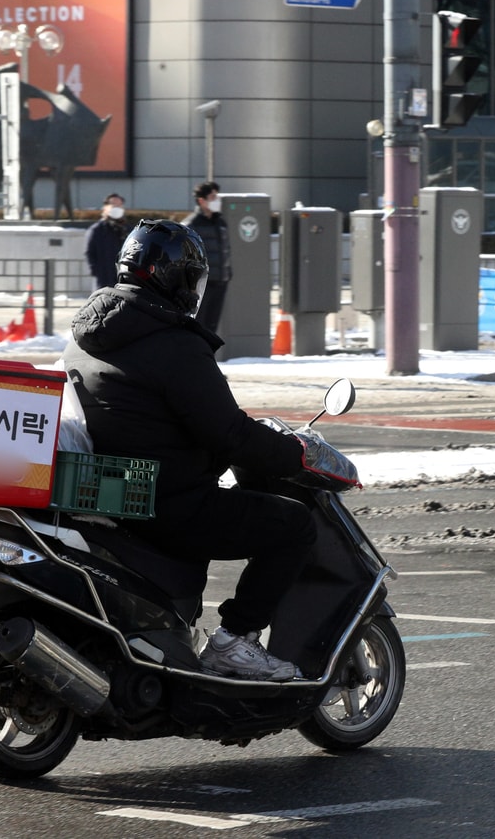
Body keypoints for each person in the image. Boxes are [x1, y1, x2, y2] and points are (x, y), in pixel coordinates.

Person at [61, 218, 314, 681]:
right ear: (173, 276)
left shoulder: (88, 333)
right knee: (294, 525)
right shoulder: (171, 342)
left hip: (115, 493)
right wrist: (293, 455)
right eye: (192, 277)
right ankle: (235, 641)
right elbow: (228, 433)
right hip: (171, 502)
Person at [182, 181, 231, 333]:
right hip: (200, 284)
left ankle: (207, 355)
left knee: (212, 326)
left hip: (220, 281)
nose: (217, 201)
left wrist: (228, 274)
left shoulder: (220, 222)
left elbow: (226, 250)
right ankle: (193, 355)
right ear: (201, 200)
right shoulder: (191, 224)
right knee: (197, 324)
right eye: (213, 197)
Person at [84, 192, 128, 291]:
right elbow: (90, 253)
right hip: (104, 280)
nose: (117, 208)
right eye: (113, 205)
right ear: (105, 207)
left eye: (119, 205)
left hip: (124, 280)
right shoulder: (97, 230)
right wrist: (97, 272)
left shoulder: (126, 229)